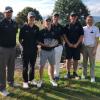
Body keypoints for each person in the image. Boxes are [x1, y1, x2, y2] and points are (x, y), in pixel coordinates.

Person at [0, 6, 18, 96]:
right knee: (2, 69)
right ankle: (2, 88)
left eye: (10, 12)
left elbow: (14, 34)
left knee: (11, 67)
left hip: (12, 48)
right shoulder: (1, 23)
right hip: (3, 49)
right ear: (4, 13)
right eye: (7, 12)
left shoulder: (15, 23)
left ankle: (11, 82)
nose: (9, 13)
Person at [37, 16, 59, 88]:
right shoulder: (41, 31)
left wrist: (54, 44)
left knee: (52, 65)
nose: (48, 22)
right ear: (44, 22)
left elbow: (57, 41)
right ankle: (40, 80)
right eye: (46, 21)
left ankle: (52, 79)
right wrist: (45, 45)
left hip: (52, 51)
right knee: (41, 66)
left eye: (49, 21)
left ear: (51, 22)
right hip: (44, 51)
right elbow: (38, 41)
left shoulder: (54, 31)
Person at [19, 12, 39, 88]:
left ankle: (31, 79)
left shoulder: (36, 28)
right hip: (25, 51)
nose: (32, 18)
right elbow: (20, 39)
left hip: (34, 50)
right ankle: (25, 81)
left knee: (32, 66)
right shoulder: (23, 28)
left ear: (34, 18)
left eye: (33, 17)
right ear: (28, 18)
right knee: (25, 66)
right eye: (30, 17)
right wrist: (23, 47)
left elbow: (37, 39)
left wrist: (37, 47)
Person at [63, 12, 84, 79]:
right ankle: (68, 73)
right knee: (68, 59)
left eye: (74, 16)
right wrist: (69, 43)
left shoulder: (79, 25)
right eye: (72, 16)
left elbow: (81, 35)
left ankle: (75, 73)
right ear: (70, 17)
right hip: (68, 45)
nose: (73, 17)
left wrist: (77, 44)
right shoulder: (67, 25)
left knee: (76, 60)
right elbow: (64, 35)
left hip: (77, 46)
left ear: (76, 17)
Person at [82, 16, 100, 82]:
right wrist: (81, 48)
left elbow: (97, 40)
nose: (90, 21)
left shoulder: (96, 28)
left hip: (92, 48)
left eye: (91, 20)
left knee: (92, 63)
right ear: (86, 21)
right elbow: (82, 38)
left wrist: (95, 49)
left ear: (93, 21)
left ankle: (92, 77)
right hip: (84, 47)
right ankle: (84, 75)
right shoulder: (83, 28)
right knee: (84, 62)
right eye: (88, 20)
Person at [52, 12, 64, 80]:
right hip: (51, 47)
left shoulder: (61, 27)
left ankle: (57, 75)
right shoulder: (50, 26)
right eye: (54, 16)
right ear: (52, 17)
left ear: (58, 18)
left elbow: (62, 36)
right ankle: (51, 74)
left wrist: (62, 45)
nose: (56, 18)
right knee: (51, 62)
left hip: (59, 47)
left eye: (57, 17)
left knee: (57, 61)